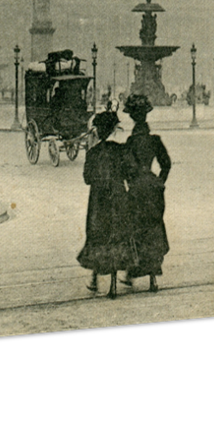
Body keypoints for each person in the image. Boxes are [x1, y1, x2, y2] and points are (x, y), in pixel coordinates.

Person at [77, 110, 138, 298]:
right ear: (113, 129)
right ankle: (114, 283)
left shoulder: (93, 153)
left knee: (98, 236)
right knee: (117, 235)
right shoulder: (121, 151)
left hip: (98, 201)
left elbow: (87, 179)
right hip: (118, 198)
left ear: (98, 131)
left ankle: (95, 279)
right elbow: (130, 173)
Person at [121, 94, 171, 292]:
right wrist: (159, 181)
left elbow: (125, 168)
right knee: (153, 228)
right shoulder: (155, 140)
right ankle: (152, 276)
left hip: (137, 189)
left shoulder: (130, 142)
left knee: (135, 228)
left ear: (132, 118)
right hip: (153, 187)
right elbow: (166, 164)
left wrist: (130, 183)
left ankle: (132, 271)